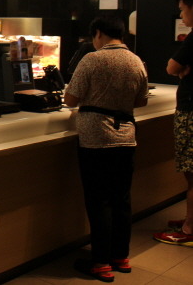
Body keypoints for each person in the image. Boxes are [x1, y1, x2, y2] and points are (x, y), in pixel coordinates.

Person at [64, 16, 148, 282]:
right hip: (126, 136)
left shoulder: (92, 59)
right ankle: (120, 257)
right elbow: (141, 101)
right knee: (121, 198)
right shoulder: (136, 61)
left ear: (98, 33)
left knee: (98, 199)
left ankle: (100, 261)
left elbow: (70, 99)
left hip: (96, 137)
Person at [154, 0, 193, 246]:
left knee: (192, 173)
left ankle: (189, 229)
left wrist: (181, 70)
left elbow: (171, 67)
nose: (181, 15)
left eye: (182, 9)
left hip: (191, 112)